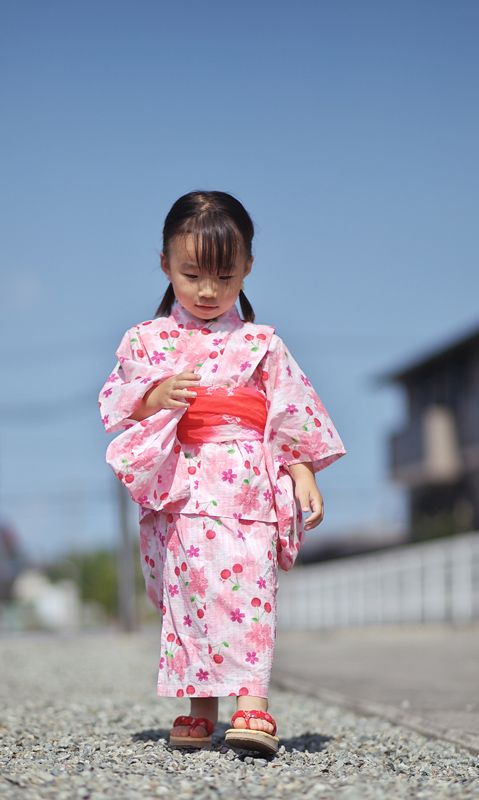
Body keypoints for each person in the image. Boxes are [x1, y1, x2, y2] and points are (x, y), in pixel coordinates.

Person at [98, 190, 346, 754]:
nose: (208, 291)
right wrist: (155, 395)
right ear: (165, 265)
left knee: (249, 588)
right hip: (182, 485)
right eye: (191, 274)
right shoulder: (146, 340)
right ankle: (200, 705)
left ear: (247, 269)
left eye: (223, 275)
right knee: (189, 592)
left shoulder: (262, 344)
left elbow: (289, 411)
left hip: (246, 481)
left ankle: (252, 703)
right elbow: (118, 402)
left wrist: (302, 470)